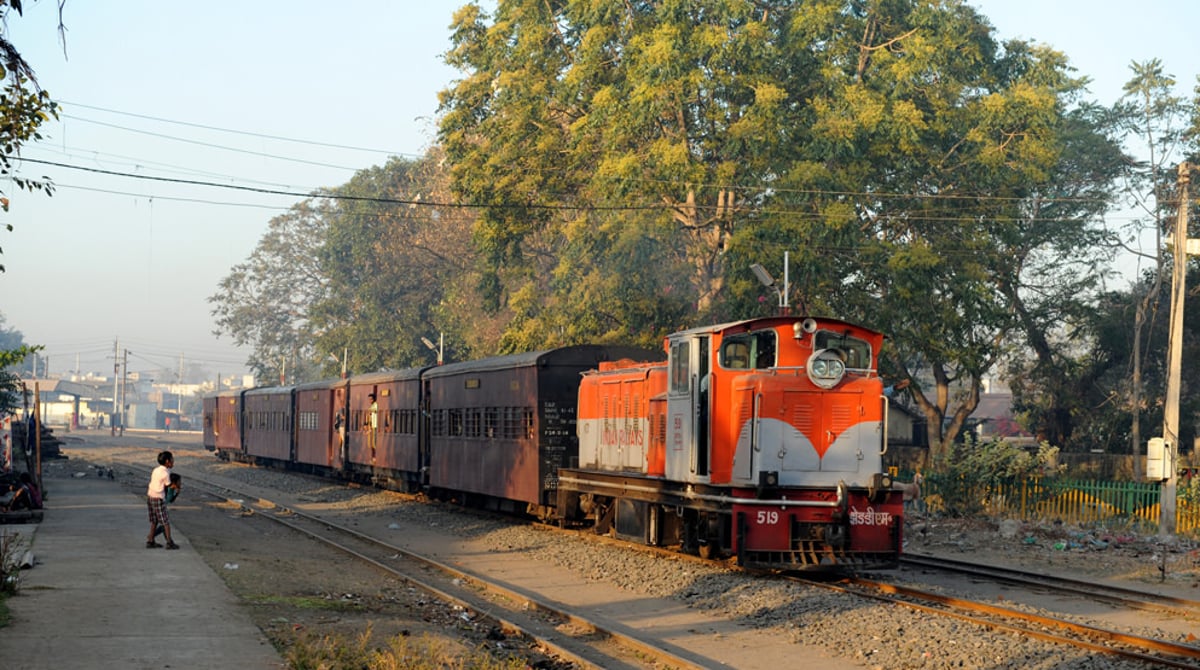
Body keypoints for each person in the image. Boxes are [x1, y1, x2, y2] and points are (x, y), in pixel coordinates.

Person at [146, 450, 179, 550]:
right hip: (158, 498)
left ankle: (150, 541)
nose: (173, 461)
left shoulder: (156, 470)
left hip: (150, 496)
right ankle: (169, 542)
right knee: (165, 521)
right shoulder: (165, 473)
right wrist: (177, 487)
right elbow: (169, 485)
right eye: (172, 459)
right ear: (167, 461)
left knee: (154, 520)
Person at [152, 473, 182, 541]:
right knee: (165, 524)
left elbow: (171, 500)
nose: (180, 483)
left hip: (162, 506)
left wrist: (177, 493)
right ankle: (168, 541)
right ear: (174, 482)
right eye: (179, 481)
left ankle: (152, 537)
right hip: (158, 505)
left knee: (164, 524)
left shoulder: (172, 488)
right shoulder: (166, 488)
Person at [367, 393, 379, 464]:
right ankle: (373, 457)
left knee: (374, 442)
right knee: (371, 443)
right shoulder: (372, 406)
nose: (370, 400)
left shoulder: (376, 405)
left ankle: (375, 457)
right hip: (372, 426)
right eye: (369, 399)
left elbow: (374, 410)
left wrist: (370, 410)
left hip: (376, 426)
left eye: (371, 399)